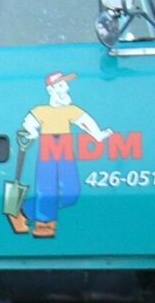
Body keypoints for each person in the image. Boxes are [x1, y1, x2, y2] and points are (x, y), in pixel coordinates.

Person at [7, 71, 112, 238]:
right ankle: (44, 224)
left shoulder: (71, 110)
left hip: (64, 147)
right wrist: (32, 133)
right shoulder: (41, 110)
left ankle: (23, 212)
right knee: (46, 188)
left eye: (66, 84)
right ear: (51, 90)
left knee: (71, 193)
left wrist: (97, 134)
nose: (66, 88)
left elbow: (85, 122)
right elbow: (29, 123)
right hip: (48, 146)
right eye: (61, 85)